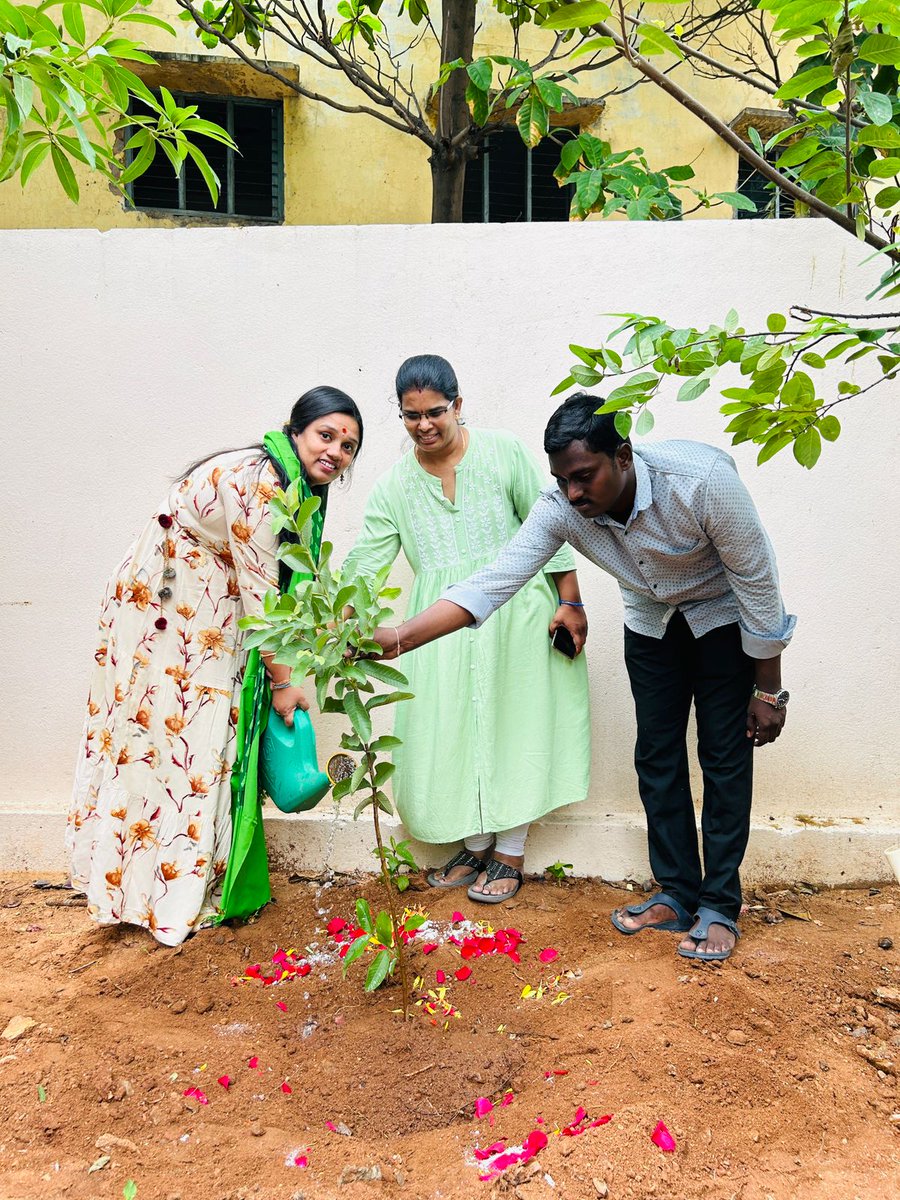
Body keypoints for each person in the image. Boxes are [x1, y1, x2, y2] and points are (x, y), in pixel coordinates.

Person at [368, 393, 795, 960]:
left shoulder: (702, 482)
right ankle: (674, 892)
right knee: (657, 756)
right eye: (562, 480)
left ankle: (719, 904)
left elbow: (760, 586)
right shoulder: (563, 504)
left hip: (721, 622)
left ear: (622, 456)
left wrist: (768, 689)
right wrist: (399, 638)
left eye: (584, 477)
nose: (572, 494)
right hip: (651, 625)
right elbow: (494, 582)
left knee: (722, 757)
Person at [68, 388, 364, 946]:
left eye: (348, 446)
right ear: (295, 429)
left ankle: (174, 881)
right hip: (169, 611)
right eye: (327, 435)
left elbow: (280, 582)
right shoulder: (260, 482)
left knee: (191, 742)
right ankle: (153, 891)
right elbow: (259, 590)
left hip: (197, 606)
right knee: (174, 742)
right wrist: (284, 682)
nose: (336, 452)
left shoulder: (291, 484)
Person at [340, 355, 590, 903]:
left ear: (458, 404)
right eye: (411, 416)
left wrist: (569, 600)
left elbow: (550, 525)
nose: (424, 425)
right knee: (451, 728)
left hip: (517, 608)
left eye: (434, 412)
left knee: (515, 723)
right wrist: (341, 617)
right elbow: (366, 562)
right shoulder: (393, 488)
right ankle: (476, 844)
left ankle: (510, 851)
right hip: (439, 627)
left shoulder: (503, 453)